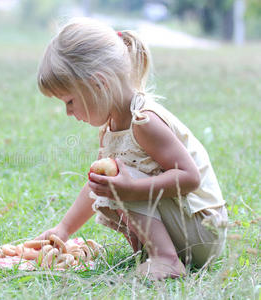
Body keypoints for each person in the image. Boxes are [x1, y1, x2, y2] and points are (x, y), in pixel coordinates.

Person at [34, 18, 228, 280]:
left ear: (98, 84)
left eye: (70, 101)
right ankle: (152, 252)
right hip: (185, 228)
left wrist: (131, 189)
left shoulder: (144, 122)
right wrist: (63, 229)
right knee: (111, 182)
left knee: (119, 182)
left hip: (202, 231)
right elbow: (95, 185)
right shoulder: (113, 125)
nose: (68, 112)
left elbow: (190, 178)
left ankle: (166, 259)